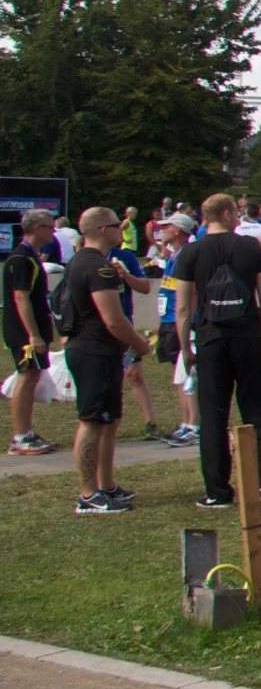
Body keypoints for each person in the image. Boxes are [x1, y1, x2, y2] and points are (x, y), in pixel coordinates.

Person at [174, 194, 261, 510]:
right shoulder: (251, 248)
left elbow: (184, 306)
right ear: (226, 214)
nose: (239, 218)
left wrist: (185, 347)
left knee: (213, 415)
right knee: (258, 410)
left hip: (211, 338)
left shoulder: (190, 253)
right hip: (247, 335)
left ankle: (217, 490)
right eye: (236, 214)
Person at [59, 208, 151, 514]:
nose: (122, 229)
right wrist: (140, 344)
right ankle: (88, 494)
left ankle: (106, 485)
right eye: (116, 225)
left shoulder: (79, 261)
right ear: (101, 229)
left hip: (98, 350)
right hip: (94, 350)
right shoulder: (100, 268)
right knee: (92, 420)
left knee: (109, 420)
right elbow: (113, 319)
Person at [5, 210, 61, 458]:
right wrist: (33, 335)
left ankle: (26, 432)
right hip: (24, 331)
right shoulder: (21, 259)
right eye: (50, 227)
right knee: (26, 378)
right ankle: (20, 437)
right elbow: (20, 297)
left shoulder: (30, 257)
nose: (53, 232)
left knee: (32, 376)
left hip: (33, 328)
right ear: (37, 228)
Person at [147, 213, 200, 447]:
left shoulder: (186, 256)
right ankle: (186, 421)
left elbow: (192, 293)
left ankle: (194, 424)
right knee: (178, 373)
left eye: (166, 227)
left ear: (178, 230)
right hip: (168, 320)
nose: (161, 230)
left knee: (188, 373)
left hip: (182, 320)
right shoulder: (172, 256)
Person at [105, 228, 159, 440]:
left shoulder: (124, 256)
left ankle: (150, 423)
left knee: (134, 374)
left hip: (123, 323)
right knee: (107, 377)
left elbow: (145, 287)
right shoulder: (88, 257)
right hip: (97, 327)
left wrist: (125, 275)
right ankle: (106, 422)